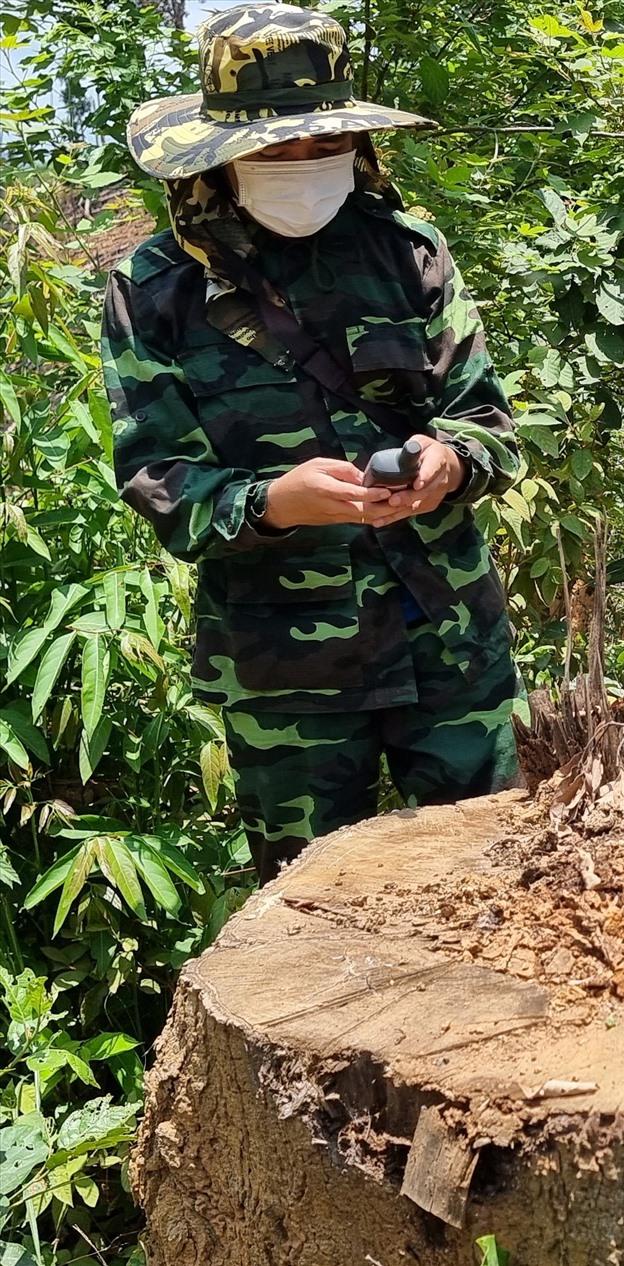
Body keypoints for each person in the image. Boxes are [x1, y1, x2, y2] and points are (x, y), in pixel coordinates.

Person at [104, 3, 524, 882]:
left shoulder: (408, 253)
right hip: (286, 673)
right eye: (275, 151)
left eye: (319, 147)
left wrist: (449, 461)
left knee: (490, 886)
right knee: (312, 908)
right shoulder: (159, 288)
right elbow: (156, 476)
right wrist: (269, 503)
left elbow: (488, 421)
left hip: (451, 643)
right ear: (222, 156)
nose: (302, 167)